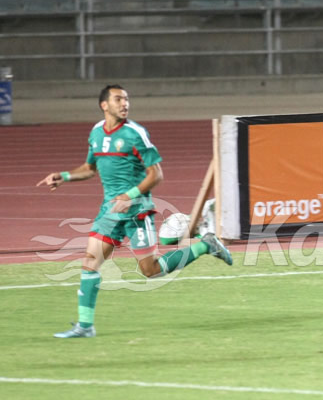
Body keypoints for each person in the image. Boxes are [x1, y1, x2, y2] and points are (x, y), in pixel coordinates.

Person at [36, 84, 233, 338]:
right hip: (109, 211)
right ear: (104, 105)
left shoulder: (135, 133)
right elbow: (89, 167)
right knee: (90, 261)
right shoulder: (96, 133)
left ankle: (205, 246)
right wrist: (62, 176)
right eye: (118, 99)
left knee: (150, 270)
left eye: (127, 99)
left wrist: (129, 195)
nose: (125, 104)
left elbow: (157, 174)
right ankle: (85, 326)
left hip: (136, 210)